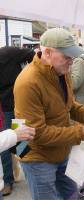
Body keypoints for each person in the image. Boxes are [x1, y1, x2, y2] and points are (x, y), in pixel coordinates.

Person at [13, 28, 84, 200]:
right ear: (47, 52)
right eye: (67, 56)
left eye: (72, 56)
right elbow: (36, 133)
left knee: (72, 195)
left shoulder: (61, 72)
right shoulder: (28, 82)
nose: (71, 61)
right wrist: (80, 133)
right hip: (36, 156)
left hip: (61, 149)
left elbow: (69, 106)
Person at [0, 46, 35, 196]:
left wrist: (28, 74)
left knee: (20, 141)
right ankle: (8, 180)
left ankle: (28, 174)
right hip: (4, 108)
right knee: (5, 144)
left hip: (19, 105)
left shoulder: (9, 53)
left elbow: (33, 55)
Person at [0, 124, 35, 198]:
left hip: (19, 116)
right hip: (7, 114)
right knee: (7, 149)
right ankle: (7, 181)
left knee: (22, 148)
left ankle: (31, 175)